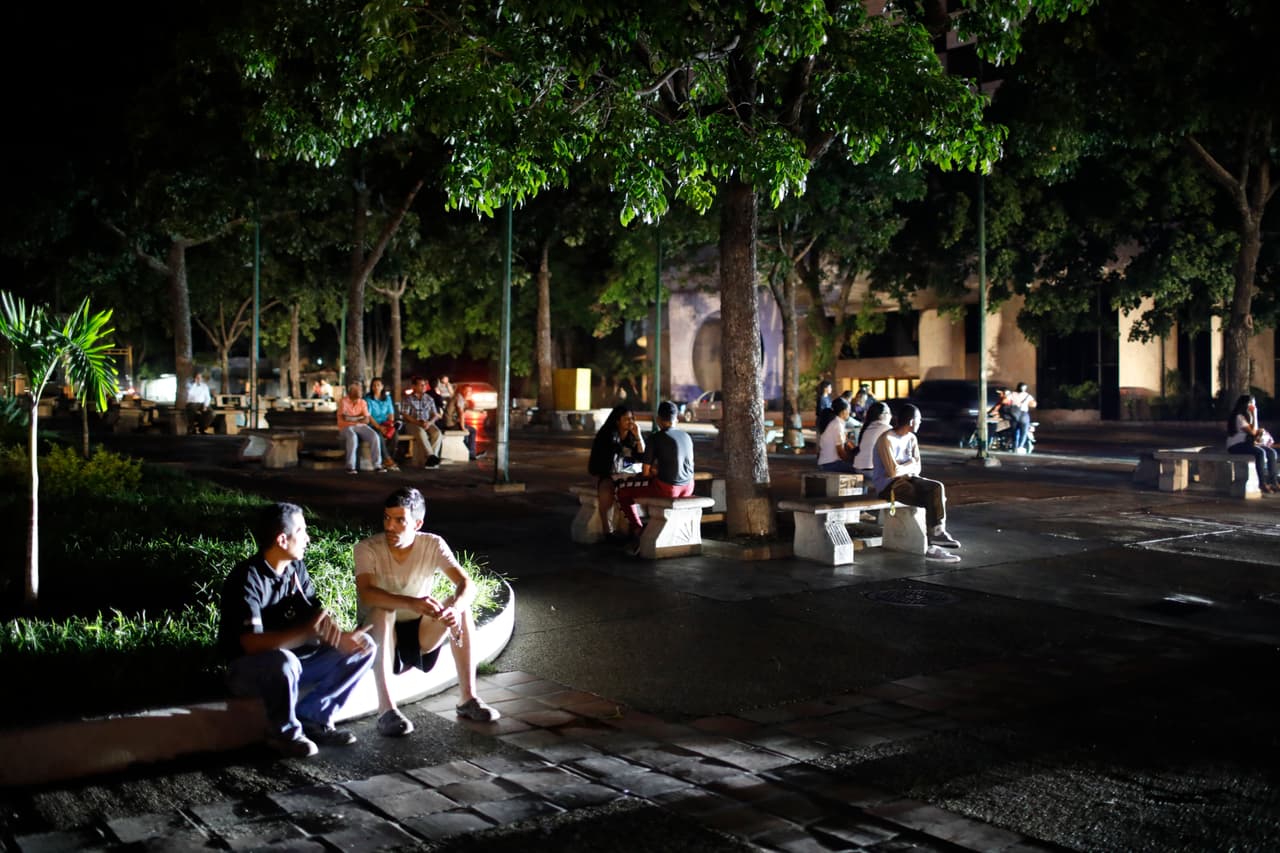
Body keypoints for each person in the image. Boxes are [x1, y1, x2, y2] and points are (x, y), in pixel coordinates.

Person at [218, 503, 376, 757]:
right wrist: (305, 634)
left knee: (365, 646)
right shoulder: (247, 579)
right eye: (301, 531)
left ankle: (314, 717)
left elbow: (315, 615)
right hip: (251, 672)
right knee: (285, 661)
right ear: (282, 539)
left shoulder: (295, 569)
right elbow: (250, 644)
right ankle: (284, 734)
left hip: (296, 666)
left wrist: (339, 638)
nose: (307, 538)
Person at [354, 487, 500, 736]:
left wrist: (455, 608)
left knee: (459, 607)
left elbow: (467, 584)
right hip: (377, 634)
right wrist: (411, 602)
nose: (390, 526)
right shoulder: (367, 548)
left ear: (417, 523)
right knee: (383, 611)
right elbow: (367, 593)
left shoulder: (432, 544)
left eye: (399, 520)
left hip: (418, 633)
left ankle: (468, 698)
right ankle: (386, 711)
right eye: (387, 518)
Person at [872, 402, 961, 563]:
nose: (920, 423)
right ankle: (931, 547)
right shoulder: (886, 439)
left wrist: (904, 466)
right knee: (928, 499)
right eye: (919, 420)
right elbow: (892, 472)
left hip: (909, 478)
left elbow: (917, 467)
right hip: (888, 485)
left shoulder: (912, 438)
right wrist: (909, 463)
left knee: (936, 488)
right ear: (912, 421)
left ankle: (938, 531)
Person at [616, 401, 695, 548]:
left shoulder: (655, 438)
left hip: (668, 488)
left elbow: (645, 473)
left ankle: (638, 528)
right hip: (688, 486)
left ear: (658, 419)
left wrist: (653, 472)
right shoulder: (686, 436)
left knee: (622, 490)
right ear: (676, 419)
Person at [588, 405, 646, 538]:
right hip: (608, 474)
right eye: (626, 419)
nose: (630, 422)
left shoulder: (632, 436)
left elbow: (643, 456)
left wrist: (638, 436)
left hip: (629, 474)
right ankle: (607, 530)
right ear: (617, 421)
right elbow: (603, 464)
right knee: (606, 492)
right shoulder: (607, 435)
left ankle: (633, 527)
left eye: (632, 419)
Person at [1226, 395, 1279, 494]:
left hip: (1246, 444)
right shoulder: (1239, 417)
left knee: (1272, 452)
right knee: (1260, 452)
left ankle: (1274, 481)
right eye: (1251, 403)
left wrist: (1254, 419)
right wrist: (1255, 415)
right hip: (1236, 446)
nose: (1253, 406)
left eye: (1254, 404)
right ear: (1245, 404)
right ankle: (1262, 483)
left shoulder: (1246, 417)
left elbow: (1255, 434)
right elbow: (1253, 432)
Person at [338, 381, 385, 474]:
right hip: (345, 427)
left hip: (361, 426)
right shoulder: (343, 401)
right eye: (358, 390)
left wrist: (353, 418)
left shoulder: (362, 402)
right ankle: (350, 466)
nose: (361, 392)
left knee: (374, 436)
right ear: (351, 391)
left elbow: (366, 420)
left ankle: (377, 465)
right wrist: (359, 417)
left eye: (361, 390)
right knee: (352, 437)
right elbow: (345, 418)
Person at [402, 375, 444, 467]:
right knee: (420, 432)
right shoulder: (408, 399)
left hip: (427, 423)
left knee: (437, 433)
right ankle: (431, 456)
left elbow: (435, 414)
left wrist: (429, 422)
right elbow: (406, 415)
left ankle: (431, 459)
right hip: (413, 423)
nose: (424, 387)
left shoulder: (429, 398)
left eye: (424, 385)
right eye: (421, 385)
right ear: (414, 386)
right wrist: (418, 423)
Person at [365, 377, 400, 472]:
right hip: (373, 424)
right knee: (378, 435)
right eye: (374, 385)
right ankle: (388, 459)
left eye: (378, 385)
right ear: (371, 387)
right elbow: (369, 416)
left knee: (395, 435)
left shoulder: (387, 398)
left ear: (382, 387)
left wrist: (389, 425)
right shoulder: (368, 399)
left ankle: (388, 459)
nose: (376, 387)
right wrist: (379, 427)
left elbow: (391, 414)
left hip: (385, 423)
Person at [817, 397, 859, 473]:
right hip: (831, 464)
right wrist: (852, 460)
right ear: (843, 412)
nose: (849, 413)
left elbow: (847, 444)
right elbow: (840, 452)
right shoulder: (837, 425)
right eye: (848, 410)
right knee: (859, 469)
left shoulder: (834, 423)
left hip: (825, 463)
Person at [853, 401, 892, 479]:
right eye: (888, 413)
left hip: (857, 468)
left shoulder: (868, 426)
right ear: (881, 415)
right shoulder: (886, 428)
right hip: (871, 470)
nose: (891, 416)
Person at [1007, 382, 1037, 454]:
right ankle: (1020, 447)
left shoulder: (1012, 394)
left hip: (1014, 415)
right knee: (1024, 432)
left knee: (1014, 431)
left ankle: (1014, 446)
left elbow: (1005, 401)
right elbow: (1033, 404)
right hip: (1024, 415)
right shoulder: (1027, 395)